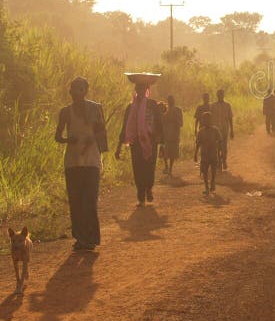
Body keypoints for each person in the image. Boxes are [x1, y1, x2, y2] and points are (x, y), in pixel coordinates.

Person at [55, 77, 107, 251]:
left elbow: (102, 134)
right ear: (70, 92)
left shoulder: (95, 109)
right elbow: (58, 136)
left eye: (80, 89)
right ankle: (80, 237)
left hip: (91, 161)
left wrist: (93, 139)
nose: (77, 93)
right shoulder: (65, 112)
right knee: (76, 201)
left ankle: (90, 239)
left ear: (86, 92)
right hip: (73, 162)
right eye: (74, 89)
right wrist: (67, 140)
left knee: (89, 201)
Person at [115, 74, 163, 206]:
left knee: (149, 167)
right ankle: (141, 195)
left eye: (142, 89)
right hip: (135, 143)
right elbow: (125, 127)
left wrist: (162, 143)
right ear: (135, 91)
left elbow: (159, 124)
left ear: (147, 90)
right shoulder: (130, 107)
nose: (140, 92)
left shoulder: (153, 105)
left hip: (151, 142)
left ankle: (149, 189)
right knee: (137, 168)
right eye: (138, 89)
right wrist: (119, 147)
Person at [194, 111, 222, 195]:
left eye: (208, 120)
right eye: (205, 120)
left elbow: (220, 141)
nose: (206, 121)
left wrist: (220, 152)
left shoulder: (215, 130)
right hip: (204, 155)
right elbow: (198, 144)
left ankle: (212, 182)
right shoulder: (201, 132)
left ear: (211, 120)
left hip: (213, 154)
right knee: (205, 172)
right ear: (203, 121)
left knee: (213, 171)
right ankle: (207, 187)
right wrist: (195, 154)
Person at [209, 89, 233, 170]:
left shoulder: (227, 105)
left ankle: (224, 160)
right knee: (217, 147)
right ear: (217, 95)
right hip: (215, 130)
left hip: (225, 129)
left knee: (224, 147)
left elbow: (230, 118)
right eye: (219, 95)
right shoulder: (213, 106)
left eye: (221, 95)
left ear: (223, 95)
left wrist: (232, 130)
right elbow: (210, 118)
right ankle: (219, 161)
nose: (220, 96)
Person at [162, 95, 183, 176]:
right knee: (165, 151)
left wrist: (174, 118)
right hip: (166, 134)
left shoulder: (178, 110)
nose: (170, 102)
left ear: (174, 101)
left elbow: (180, 123)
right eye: (169, 100)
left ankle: (170, 168)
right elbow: (162, 121)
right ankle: (167, 166)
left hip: (174, 134)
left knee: (172, 153)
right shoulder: (165, 109)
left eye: (172, 100)